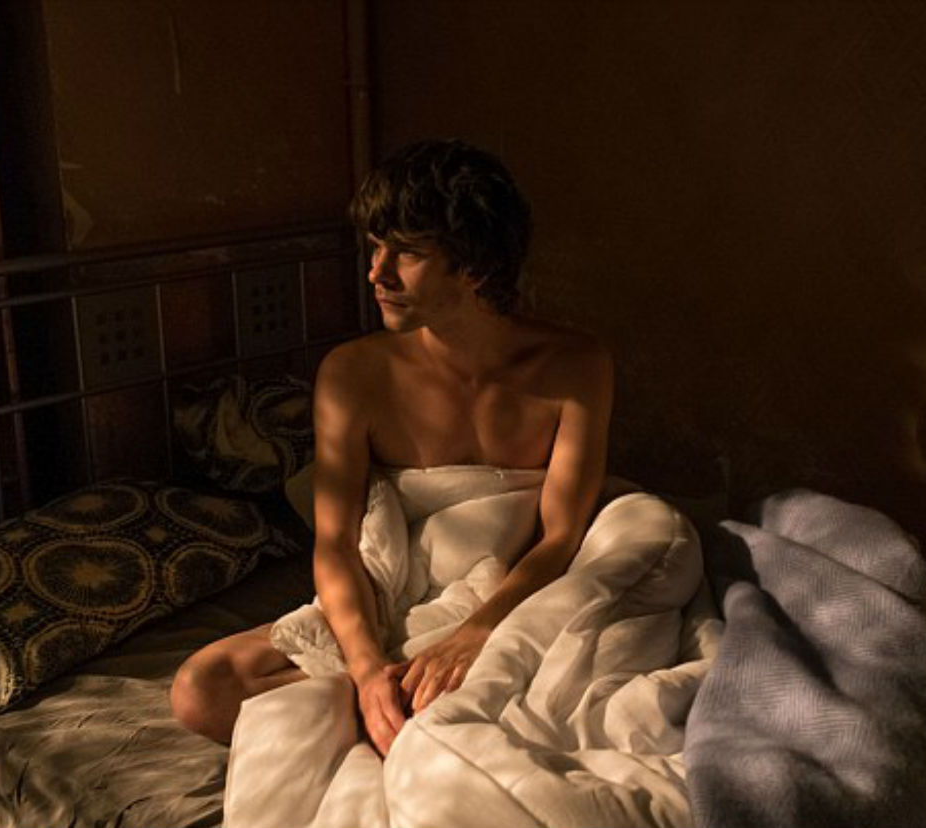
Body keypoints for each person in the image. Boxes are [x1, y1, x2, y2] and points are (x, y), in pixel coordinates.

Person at [170, 139, 614, 757]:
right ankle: (400, 705)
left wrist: (476, 632)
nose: (377, 273)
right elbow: (335, 542)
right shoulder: (353, 374)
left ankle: (421, 709)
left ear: (475, 266)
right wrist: (367, 669)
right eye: (376, 246)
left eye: (407, 252)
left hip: (504, 593)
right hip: (388, 590)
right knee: (200, 691)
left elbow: (560, 538)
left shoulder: (576, 366)